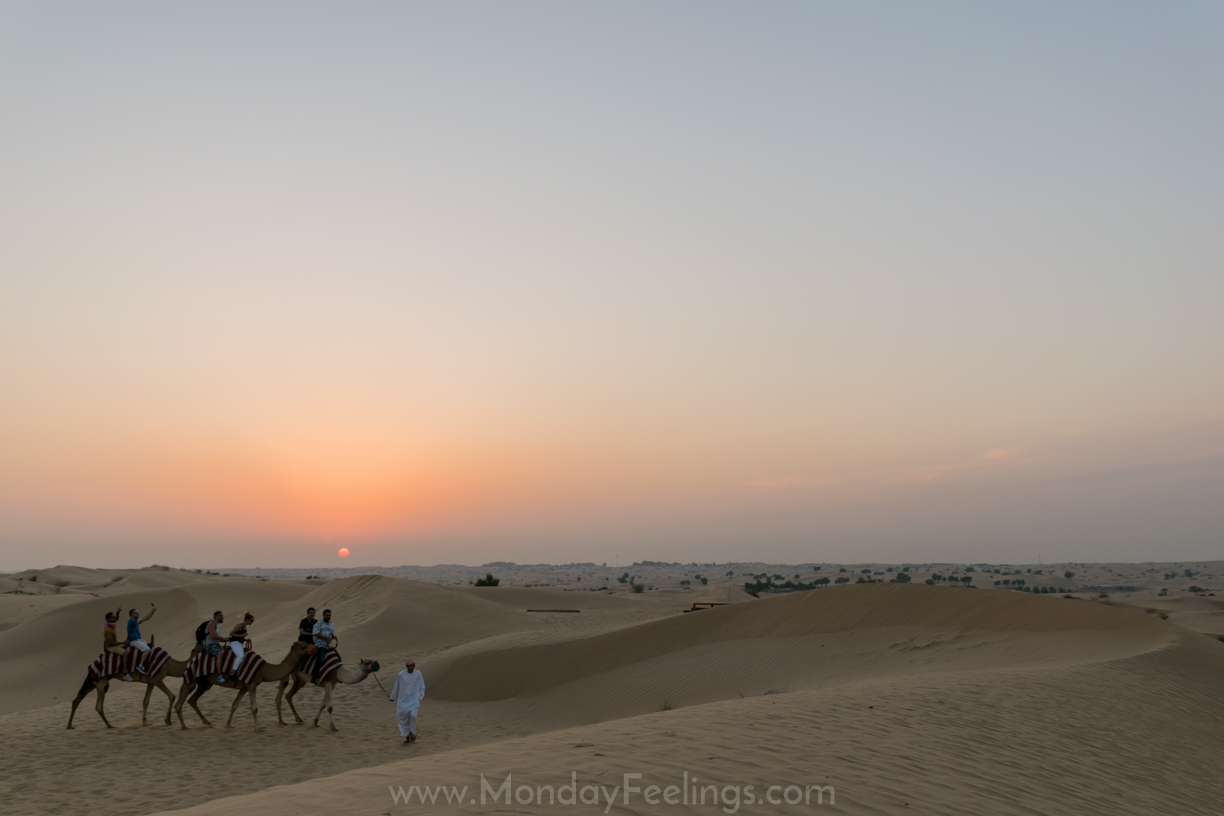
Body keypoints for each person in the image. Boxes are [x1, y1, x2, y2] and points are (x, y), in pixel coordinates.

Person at [387, 658, 425, 743]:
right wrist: (392, 697)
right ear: (406, 666)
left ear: (414, 666)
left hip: (414, 699)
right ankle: (408, 736)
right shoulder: (401, 674)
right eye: (408, 666)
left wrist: (419, 696)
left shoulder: (418, 673)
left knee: (413, 716)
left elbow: (422, 686)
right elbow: (396, 685)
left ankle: (412, 732)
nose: (410, 667)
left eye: (411, 666)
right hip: (403, 700)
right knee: (401, 717)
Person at [126, 603, 157, 675]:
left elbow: (146, 618)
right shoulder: (131, 621)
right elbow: (144, 618)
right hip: (134, 641)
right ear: (132, 615)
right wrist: (151, 610)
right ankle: (140, 665)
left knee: (151, 647)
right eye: (136, 613)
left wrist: (153, 612)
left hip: (139, 640)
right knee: (147, 650)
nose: (138, 614)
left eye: (138, 612)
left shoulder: (136, 620)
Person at [103, 609, 132, 679]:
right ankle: (125, 673)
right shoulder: (108, 630)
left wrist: (118, 613)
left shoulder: (111, 625)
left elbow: (116, 619)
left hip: (115, 644)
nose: (114, 618)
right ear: (109, 619)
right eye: (112, 617)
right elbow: (110, 643)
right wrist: (123, 642)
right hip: (111, 647)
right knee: (125, 653)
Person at [202, 611, 230, 682]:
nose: (222, 617)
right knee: (219, 654)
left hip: (216, 644)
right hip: (209, 645)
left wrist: (228, 639)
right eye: (221, 616)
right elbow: (213, 636)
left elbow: (217, 638)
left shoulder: (216, 626)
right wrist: (223, 638)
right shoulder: (211, 623)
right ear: (217, 616)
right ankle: (219, 675)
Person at [311, 608, 336, 684]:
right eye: (327, 615)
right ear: (323, 615)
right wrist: (326, 638)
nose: (328, 617)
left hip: (329, 645)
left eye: (329, 615)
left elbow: (331, 634)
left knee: (338, 658)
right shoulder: (319, 624)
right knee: (320, 659)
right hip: (320, 644)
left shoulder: (331, 624)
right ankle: (314, 677)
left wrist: (333, 637)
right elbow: (316, 634)